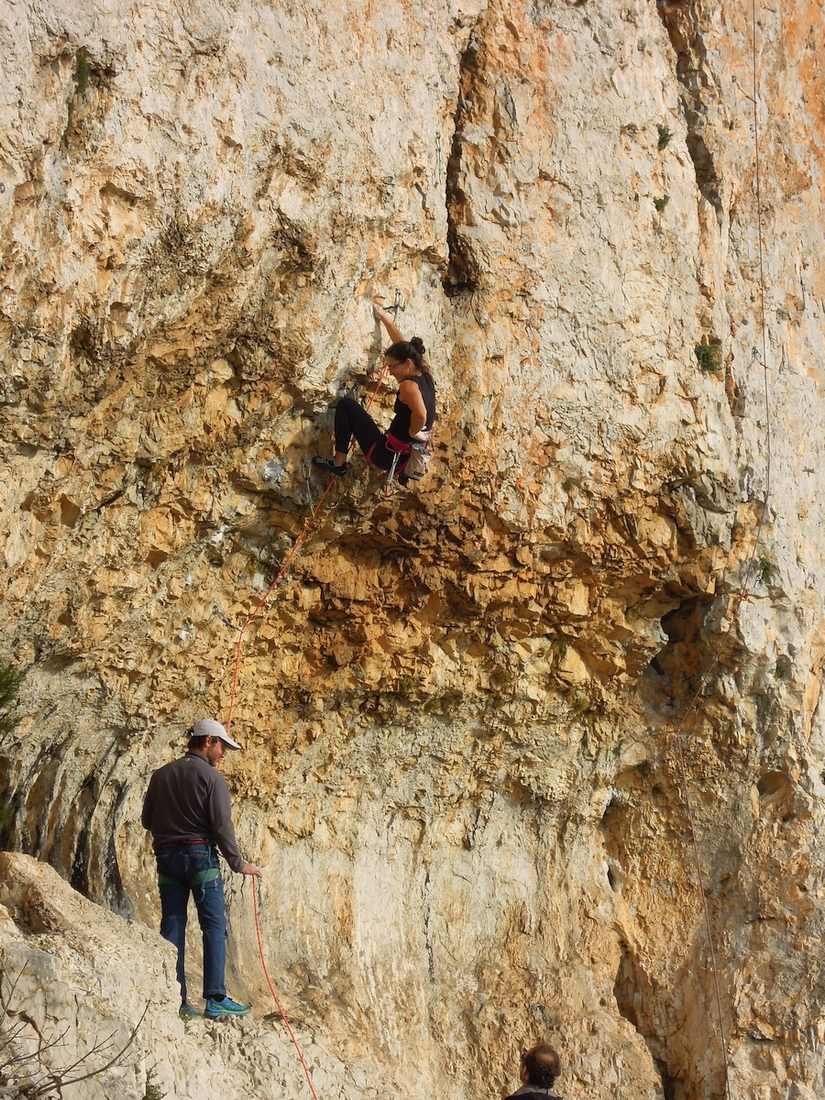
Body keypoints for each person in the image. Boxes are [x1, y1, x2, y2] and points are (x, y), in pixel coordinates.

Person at [142, 718, 263, 1020]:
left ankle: (176, 1000)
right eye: (222, 746)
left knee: (172, 924)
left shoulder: (160, 775)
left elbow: (147, 820)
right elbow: (222, 827)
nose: (224, 754)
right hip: (200, 858)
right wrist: (238, 863)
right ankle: (215, 998)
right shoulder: (213, 779)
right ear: (207, 741)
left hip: (167, 858)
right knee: (213, 925)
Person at [312, 302, 436, 480]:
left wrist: (413, 432)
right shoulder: (425, 372)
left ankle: (338, 464)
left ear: (408, 363)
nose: (390, 372)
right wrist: (384, 318)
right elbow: (402, 345)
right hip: (406, 456)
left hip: (385, 453)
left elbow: (422, 415)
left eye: (392, 367)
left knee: (346, 405)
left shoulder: (408, 386)